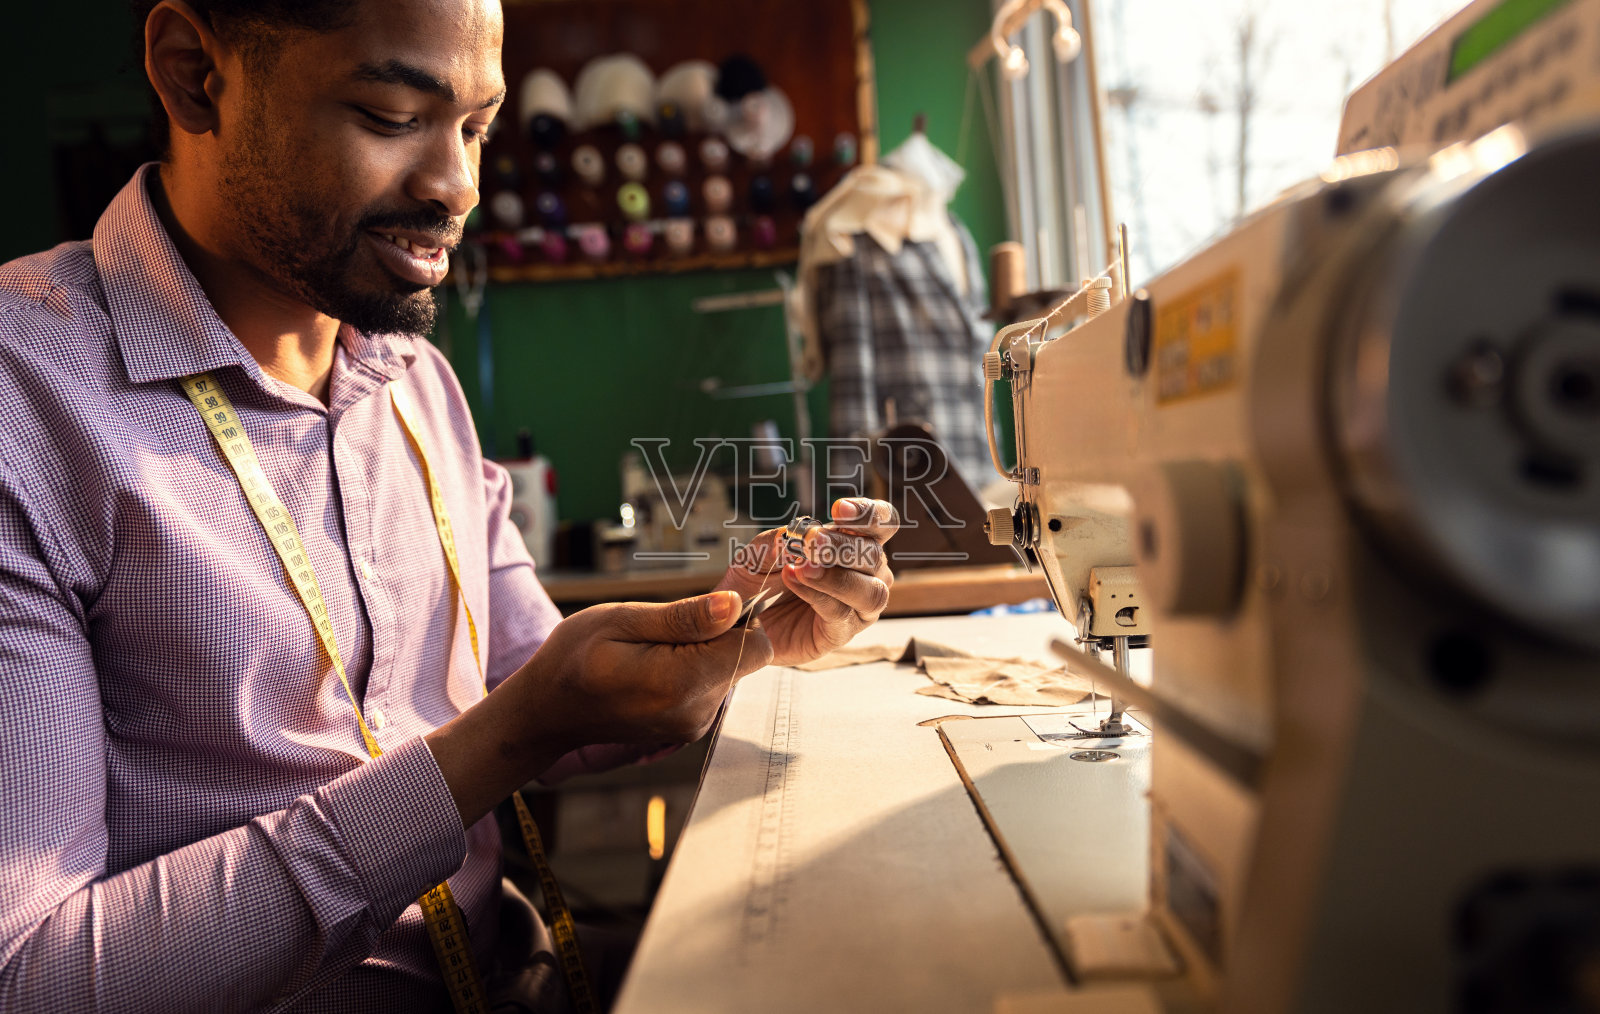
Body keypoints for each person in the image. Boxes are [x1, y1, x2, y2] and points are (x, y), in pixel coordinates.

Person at [0, 0, 898, 1010]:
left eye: (476, 126)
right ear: (193, 76)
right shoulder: (24, 404)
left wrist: (740, 632)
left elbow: (543, 689)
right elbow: (29, 979)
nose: (458, 187)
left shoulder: (413, 382)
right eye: (390, 116)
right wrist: (500, 744)